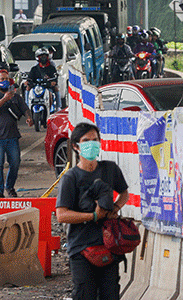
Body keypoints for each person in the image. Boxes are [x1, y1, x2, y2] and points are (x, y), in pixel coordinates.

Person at [55, 122, 130, 299]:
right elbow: (62, 215)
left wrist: (116, 208)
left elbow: (124, 193)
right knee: (84, 294)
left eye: (95, 140)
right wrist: (93, 216)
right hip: (81, 249)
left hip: (109, 247)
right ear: (76, 146)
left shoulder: (110, 169)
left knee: (110, 294)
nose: (92, 144)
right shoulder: (70, 178)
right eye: (86, 140)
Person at [0, 69, 33, 198]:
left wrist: (29, 117)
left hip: (12, 136)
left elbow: (25, 109)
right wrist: (4, 99)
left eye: (7, 79)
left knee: (15, 163)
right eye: (2, 79)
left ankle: (10, 187)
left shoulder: (16, 97)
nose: (5, 81)